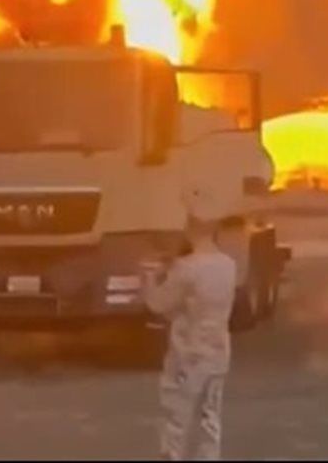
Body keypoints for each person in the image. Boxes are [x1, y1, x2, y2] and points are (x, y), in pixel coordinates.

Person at [144, 187, 238, 461]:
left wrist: (150, 277)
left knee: (177, 418)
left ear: (191, 227)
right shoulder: (228, 265)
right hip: (218, 354)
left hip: (187, 357)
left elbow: (158, 304)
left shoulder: (186, 268)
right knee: (210, 418)